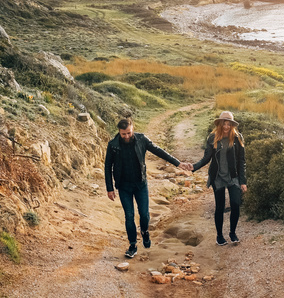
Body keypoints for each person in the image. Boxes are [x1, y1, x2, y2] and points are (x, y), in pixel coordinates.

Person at [105, 118, 193, 258]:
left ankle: (145, 232)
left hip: (141, 184)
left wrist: (178, 163)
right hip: (123, 186)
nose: (126, 136)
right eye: (123, 134)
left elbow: (159, 151)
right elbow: (108, 167)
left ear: (132, 129)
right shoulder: (113, 145)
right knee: (129, 216)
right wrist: (109, 188)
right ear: (119, 132)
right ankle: (132, 245)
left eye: (129, 133)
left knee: (145, 215)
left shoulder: (141, 139)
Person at [192, 110, 247, 246]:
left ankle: (232, 233)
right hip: (218, 177)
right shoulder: (213, 138)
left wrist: (243, 181)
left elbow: (242, 161)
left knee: (235, 204)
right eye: (224, 123)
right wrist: (194, 167)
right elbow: (206, 158)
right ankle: (219, 236)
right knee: (220, 207)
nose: (226, 126)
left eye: (229, 124)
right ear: (220, 123)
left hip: (233, 177)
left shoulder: (237, 137)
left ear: (232, 125)